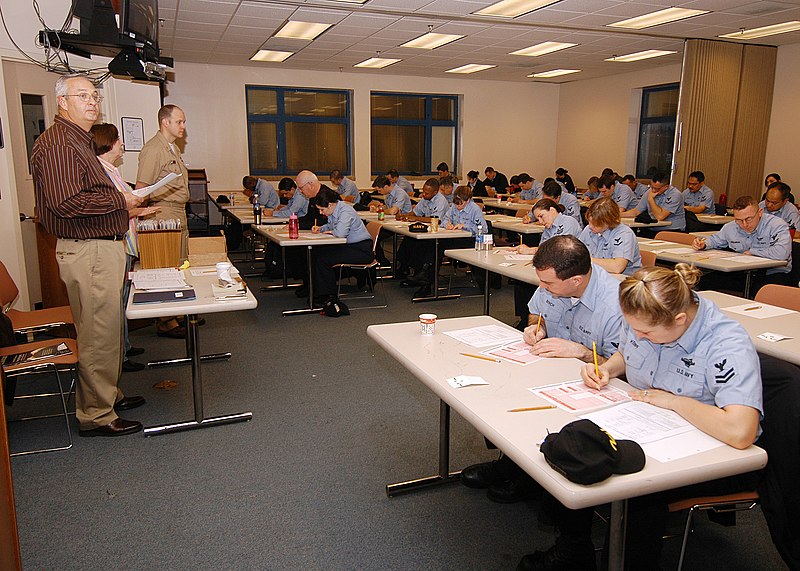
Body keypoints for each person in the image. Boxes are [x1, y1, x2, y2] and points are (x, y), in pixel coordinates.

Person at [518, 264, 762, 570]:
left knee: (638, 492)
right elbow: (627, 352)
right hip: (648, 421)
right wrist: (606, 368)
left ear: (680, 320)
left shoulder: (726, 344)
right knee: (576, 443)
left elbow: (741, 431)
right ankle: (574, 548)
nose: (637, 335)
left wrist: (675, 403)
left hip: (708, 451)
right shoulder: (643, 315)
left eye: (646, 332)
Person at [463, 236, 624, 504]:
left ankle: (528, 476)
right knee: (497, 389)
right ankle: (512, 462)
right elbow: (537, 312)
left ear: (576, 280)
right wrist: (536, 327)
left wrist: (582, 352)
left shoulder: (615, 305)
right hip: (548, 367)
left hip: (591, 383)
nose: (542, 286)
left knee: (531, 405)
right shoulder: (552, 284)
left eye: (548, 283)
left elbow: (625, 366)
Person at [31, 73, 145, 437]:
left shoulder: (78, 140)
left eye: (95, 95)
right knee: (98, 334)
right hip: (89, 250)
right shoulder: (60, 144)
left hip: (100, 247)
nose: (93, 101)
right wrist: (121, 200)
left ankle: (106, 396)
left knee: (106, 330)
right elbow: (66, 203)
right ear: (62, 102)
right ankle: (97, 415)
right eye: (83, 96)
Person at [91, 123, 159, 373]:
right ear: (107, 144)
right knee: (117, 302)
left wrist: (138, 206)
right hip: (115, 244)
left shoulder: (111, 171)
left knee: (123, 298)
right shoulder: (102, 173)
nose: (122, 144)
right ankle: (119, 357)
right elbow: (115, 207)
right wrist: (138, 207)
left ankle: (125, 347)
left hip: (125, 240)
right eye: (118, 139)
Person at [136, 104, 191, 338]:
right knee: (166, 263)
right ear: (164, 122)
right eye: (179, 122)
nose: (183, 126)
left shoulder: (173, 148)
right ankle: (166, 320)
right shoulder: (154, 149)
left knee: (179, 261)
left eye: (183, 122)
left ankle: (176, 312)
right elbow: (141, 188)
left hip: (178, 211)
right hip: (163, 211)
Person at [693, 195, 792, 286]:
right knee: (703, 281)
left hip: (772, 272)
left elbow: (782, 253)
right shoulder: (731, 227)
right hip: (742, 271)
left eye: (749, 219)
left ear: (760, 212)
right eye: (739, 220)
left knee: (760, 291)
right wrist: (703, 244)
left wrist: (753, 252)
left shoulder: (777, 225)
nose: (744, 224)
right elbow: (715, 240)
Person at [310, 188, 373, 305]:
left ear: (330, 205)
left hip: (362, 249)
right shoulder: (335, 209)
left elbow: (340, 233)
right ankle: (317, 290)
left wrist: (330, 231)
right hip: (351, 246)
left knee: (323, 260)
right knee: (317, 253)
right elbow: (331, 225)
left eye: (322, 209)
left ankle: (328, 296)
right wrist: (321, 229)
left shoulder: (346, 211)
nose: (320, 213)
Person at [396, 178, 448, 281]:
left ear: (435, 192)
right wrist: (404, 216)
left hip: (440, 232)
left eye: (427, 193)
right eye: (423, 191)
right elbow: (415, 212)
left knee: (420, 243)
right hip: (428, 230)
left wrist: (416, 219)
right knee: (408, 239)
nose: (424, 194)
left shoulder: (441, 201)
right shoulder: (425, 199)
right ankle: (403, 267)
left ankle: (420, 273)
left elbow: (435, 220)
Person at [579, 196, 642, 275]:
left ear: (609, 222)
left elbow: (617, 267)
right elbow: (577, 253)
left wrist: (585, 260)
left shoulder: (624, 234)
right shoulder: (588, 229)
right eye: (589, 221)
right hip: (597, 275)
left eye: (596, 224)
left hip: (623, 280)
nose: (590, 226)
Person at [620, 170, 686, 231]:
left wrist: (651, 199)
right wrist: (617, 215)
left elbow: (660, 217)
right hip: (653, 228)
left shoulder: (675, 195)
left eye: (657, 189)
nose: (653, 190)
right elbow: (636, 211)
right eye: (652, 187)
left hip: (672, 229)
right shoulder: (650, 191)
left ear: (666, 187)